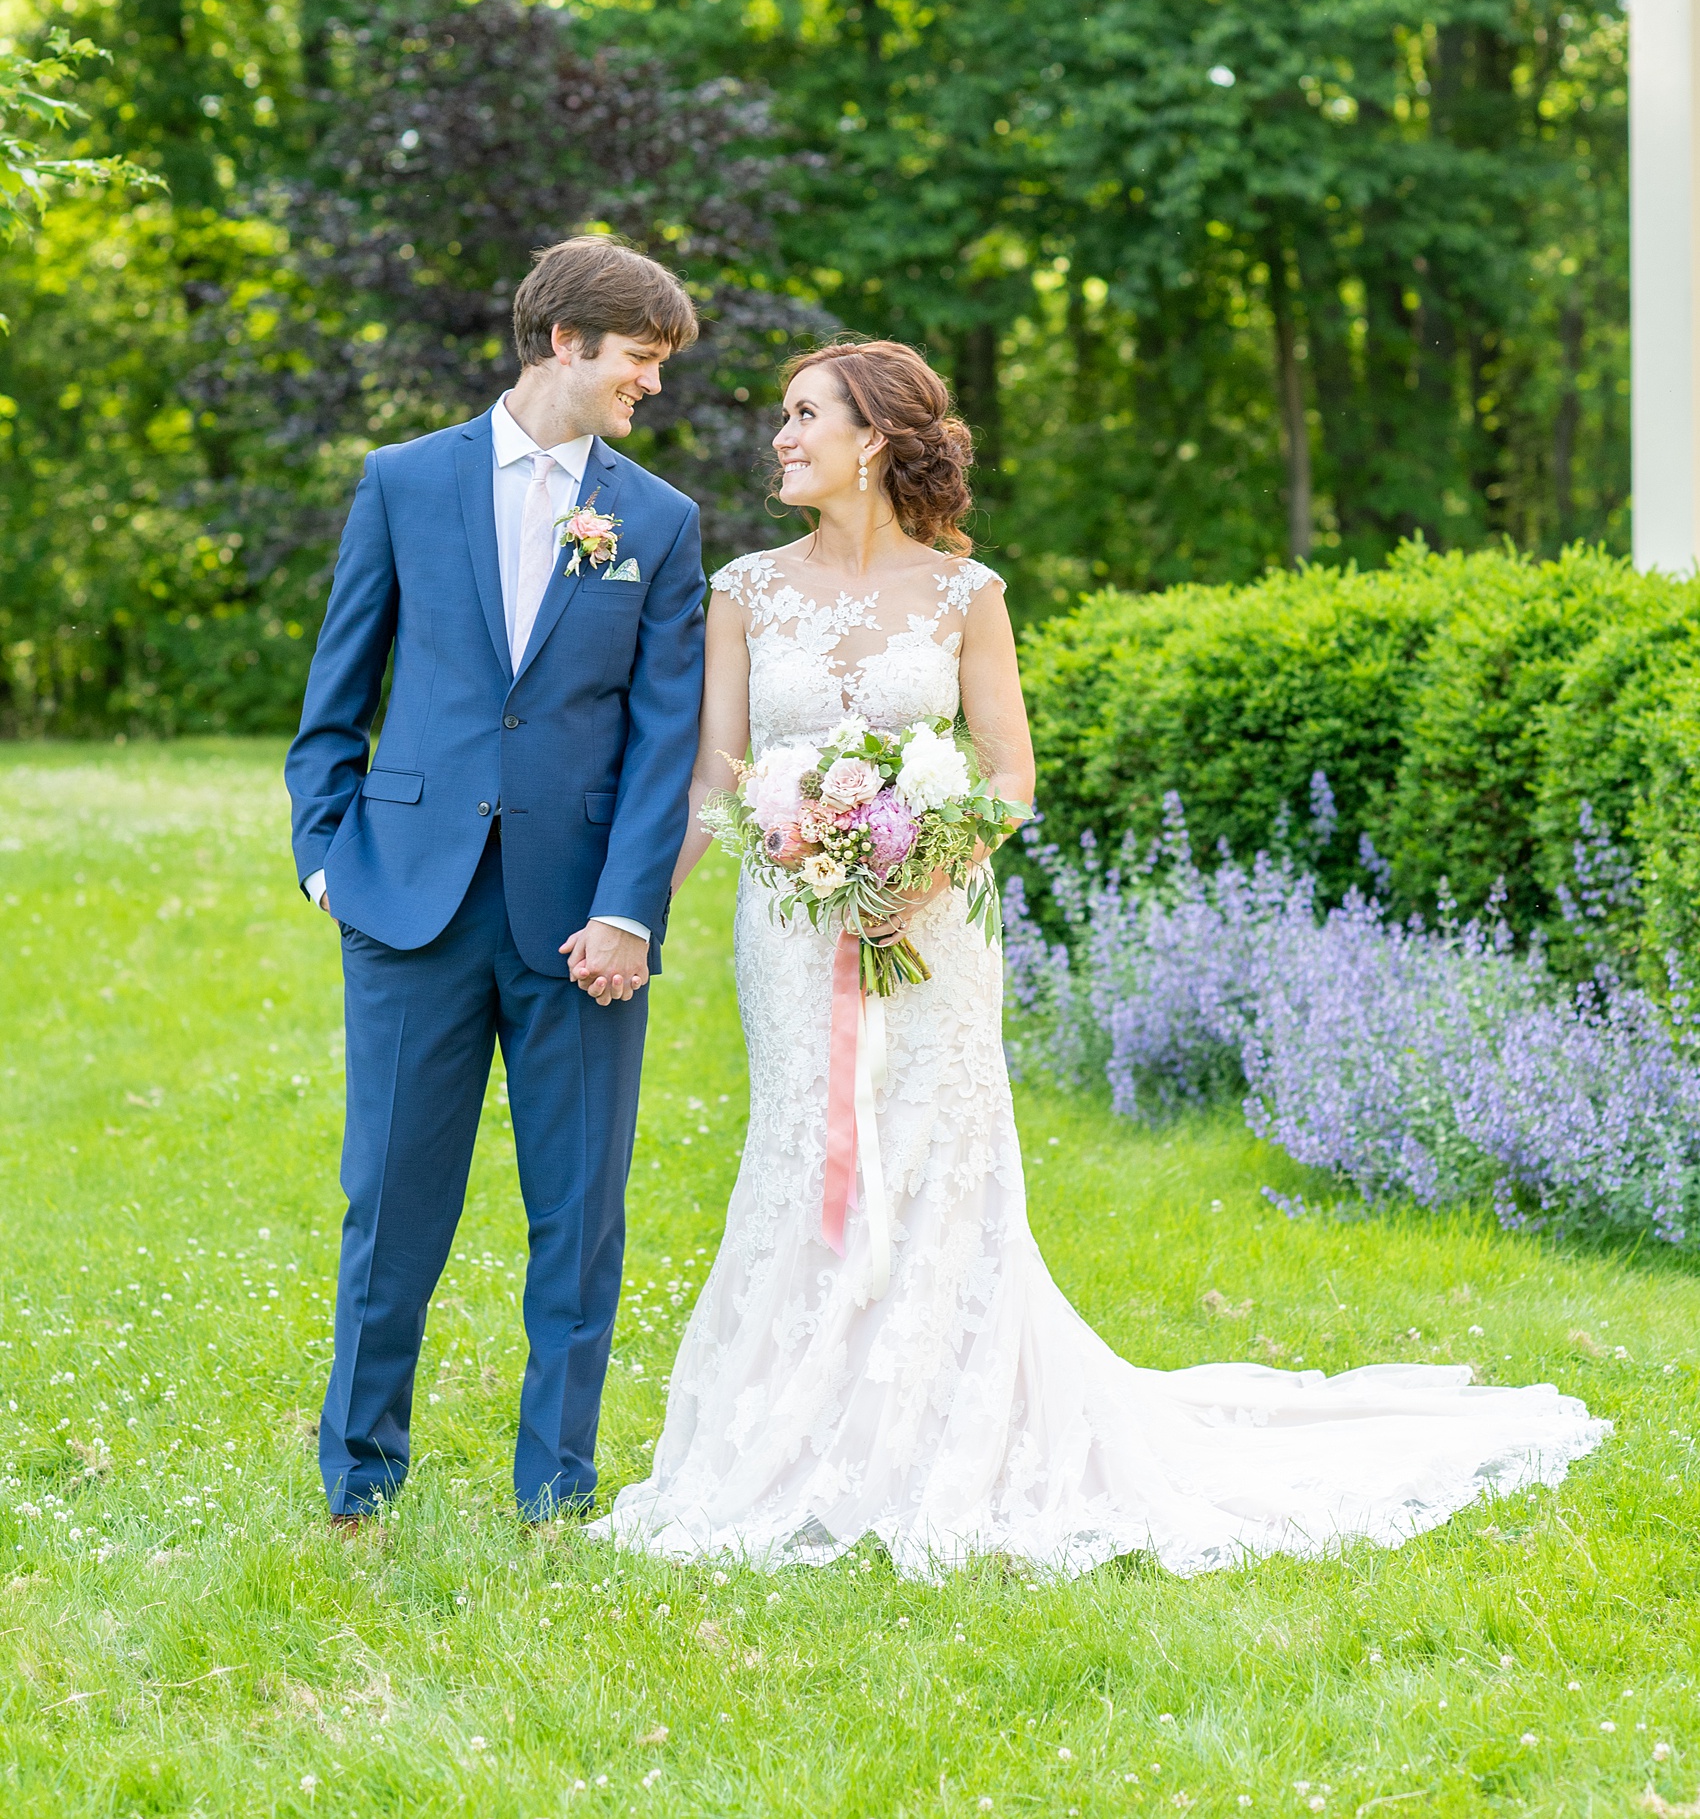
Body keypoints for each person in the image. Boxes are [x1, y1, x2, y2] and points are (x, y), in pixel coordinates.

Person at [600, 338, 1609, 1580]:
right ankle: (798, 1430)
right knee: (808, 1145)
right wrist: (634, 917)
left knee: (931, 1156)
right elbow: (716, 776)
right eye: (783, 417)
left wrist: (916, 864)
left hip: (934, 926)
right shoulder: (745, 589)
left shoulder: (967, 596)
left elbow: (1010, 779)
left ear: (872, 439)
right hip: (793, 934)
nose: (780, 437)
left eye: (803, 416)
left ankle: (934, 1430)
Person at [286, 236, 706, 1527]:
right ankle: (359, 1477)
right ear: (567, 343)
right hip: (409, 904)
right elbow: (333, 703)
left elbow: (664, 735)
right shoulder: (404, 482)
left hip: (583, 925)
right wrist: (326, 860)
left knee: (578, 1218)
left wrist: (630, 907)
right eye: (641, 360)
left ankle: (557, 1489)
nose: (653, 387)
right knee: (390, 1202)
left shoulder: (659, 522)